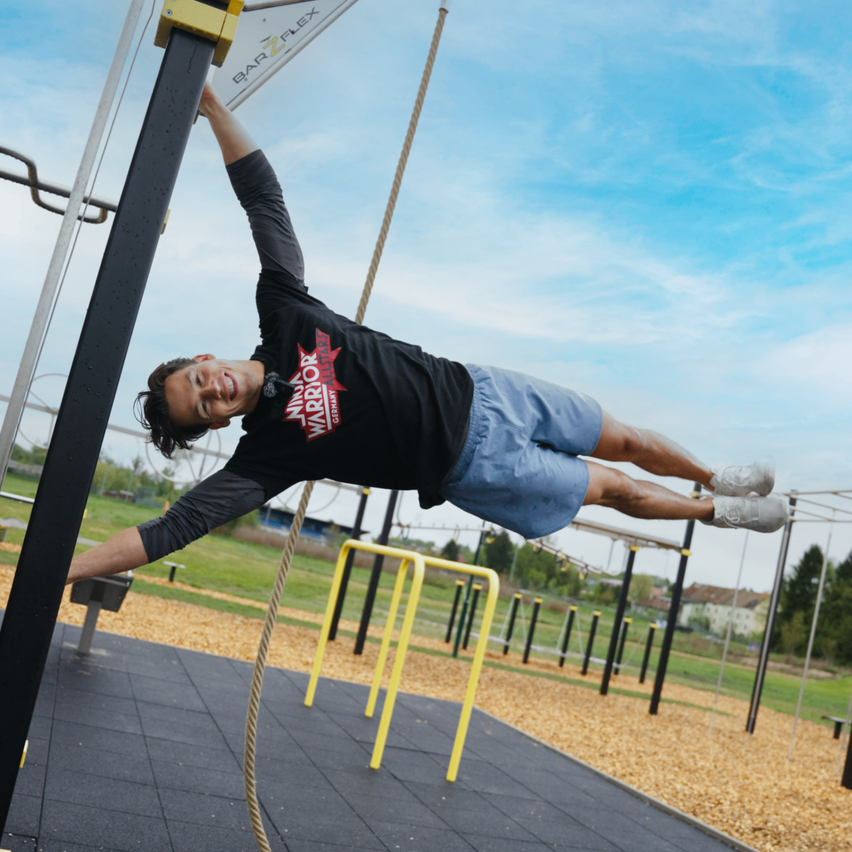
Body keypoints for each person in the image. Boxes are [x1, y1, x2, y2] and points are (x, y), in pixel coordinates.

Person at [65, 85, 788, 585]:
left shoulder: (283, 313)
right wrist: (55, 568)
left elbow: (263, 200)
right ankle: (717, 513)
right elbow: (169, 532)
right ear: (218, 424)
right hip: (470, 468)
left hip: (486, 391)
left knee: (625, 439)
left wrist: (213, 103)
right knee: (615, 489)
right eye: (205, 410)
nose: (213, 394)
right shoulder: (266, 457)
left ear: (203, 359)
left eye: (199, 382)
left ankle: (710, 476)